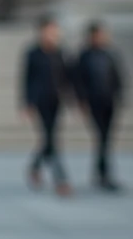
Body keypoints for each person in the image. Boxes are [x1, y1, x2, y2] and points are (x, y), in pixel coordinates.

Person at [20, 15, 73, 197]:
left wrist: (72, 99)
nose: (53, 34)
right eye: (49, 30)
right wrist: (27, 103)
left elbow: (66, 78)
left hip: (56, 101)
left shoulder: (60, 52)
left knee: (49, 138)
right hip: (40, 101)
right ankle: (62, 180)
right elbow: (26, 79)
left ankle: (34, 167)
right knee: (51, 139)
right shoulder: (33, 53)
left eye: (55, 31)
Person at [74, 20, 126, 191]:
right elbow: (79, 81)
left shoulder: (110, 54)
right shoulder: (84, 56)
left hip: (109, 101)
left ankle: (102, 173)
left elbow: (117, 77)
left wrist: (121, 96)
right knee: (102, 138)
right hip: (93, 102)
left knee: (106, 139)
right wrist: (82, 101)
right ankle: (104, 175)